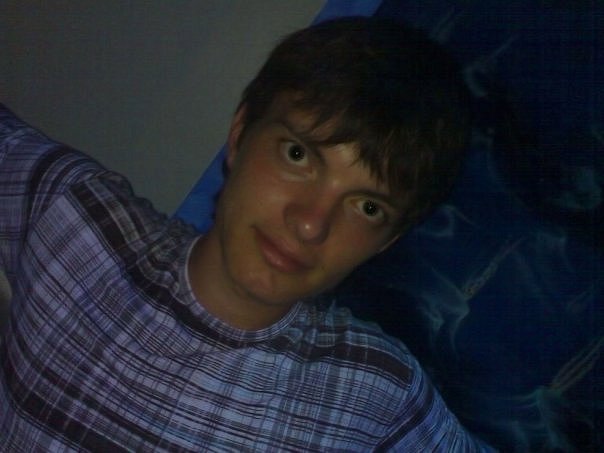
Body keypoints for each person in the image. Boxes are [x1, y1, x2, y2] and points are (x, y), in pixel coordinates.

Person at [0, 17, 493, 451]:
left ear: (388, 240)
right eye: (298, 155)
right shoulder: (76, 221)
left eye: (367, 207)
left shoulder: (375, 394)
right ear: (239, 135)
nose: (311, 223)